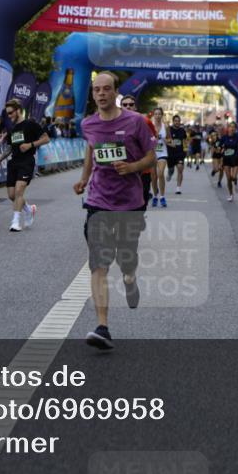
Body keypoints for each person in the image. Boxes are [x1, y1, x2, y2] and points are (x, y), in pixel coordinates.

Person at [74, 72, 155, 350]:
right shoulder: (88, 124)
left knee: (126, 260)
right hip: (98, 200)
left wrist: (132, 168)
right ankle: (103, 327)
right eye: (97, 90)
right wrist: (84, 179)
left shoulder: (136, 122)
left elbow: (151, 157)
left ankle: (130, 280)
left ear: (115, 92)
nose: (101, 94)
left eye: (107, 89)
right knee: (99, 262)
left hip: (129, 202)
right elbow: (91, 149)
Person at [0, 99, 49, 232]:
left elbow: (46, 138)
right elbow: (10, 148)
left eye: (11, 112)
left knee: (19, 191)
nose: (9, 116)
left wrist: (30, 145)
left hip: (27, 161)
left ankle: (16, 222)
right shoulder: (13, 129)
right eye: (7, 114)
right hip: (14, 162)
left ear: (18, 110)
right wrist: (0, 159)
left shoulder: (30, 124)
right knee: (12, 195)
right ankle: (29, 209)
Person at [118, 95, 156, 209]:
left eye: (131, 104)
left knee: (141, 203)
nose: (128, 107)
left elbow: (153, 140)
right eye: (124, 105)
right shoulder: (114, 123)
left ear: (135, 107)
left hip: (142, 170)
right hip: (122, 170)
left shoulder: (145, 121)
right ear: (120, 107)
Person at [218, 121, 238, 202]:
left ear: (236, 129)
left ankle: (236, 182)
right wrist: (220, 153)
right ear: (228, 128)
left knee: (233, 177)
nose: (232, 128)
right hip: (226, 160)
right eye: (230, 127)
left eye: (234, 127)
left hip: (235, 159)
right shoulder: (224, 137)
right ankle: (231, 195)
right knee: (228, 179)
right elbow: (219, 148)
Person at [149, 107, 169, 207]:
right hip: (152, 154)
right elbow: (145, 138)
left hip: (163, 153)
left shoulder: (166, 126)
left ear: (162, 115)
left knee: (160, 174)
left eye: (159, 114)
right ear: (153, 115)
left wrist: (166, 140)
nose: (157, 115)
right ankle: (155, 196)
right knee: (153, 176)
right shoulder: (149, 126)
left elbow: (170, 140)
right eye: (156, 114)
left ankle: (162, 197)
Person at [166, 114, 188, 194]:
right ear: (173, 122)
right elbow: (166, 140)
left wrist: (186, 150)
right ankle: (170, 173)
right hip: (170, 154)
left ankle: (178, 188)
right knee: (171, 170)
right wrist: (170, 143)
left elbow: (185, 141)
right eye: (175, 121)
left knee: (180, 169)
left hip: (180, 154)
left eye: (178, 121)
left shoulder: (182, 130)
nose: (177, 122)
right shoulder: (169, 130)